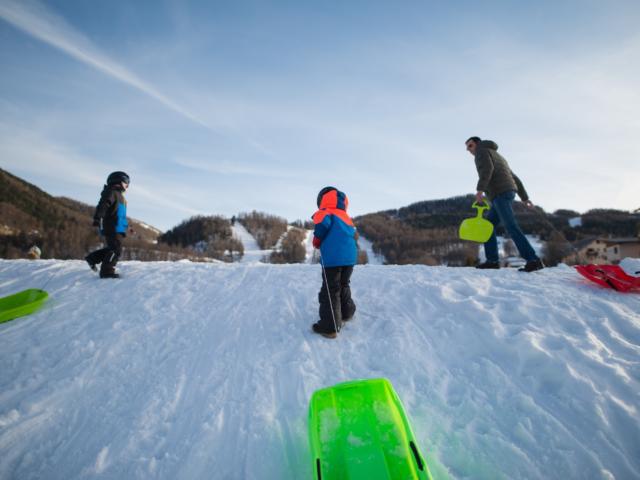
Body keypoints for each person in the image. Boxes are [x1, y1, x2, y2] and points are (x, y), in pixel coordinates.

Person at [465, 137, 544, 272]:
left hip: (500, 193)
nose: (469, 150)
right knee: (488, 227)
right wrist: (524, 198)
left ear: (477, 144)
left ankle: (533, 259)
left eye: (470, 146)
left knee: (511, 225)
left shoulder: (481, 152)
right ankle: (492, 261)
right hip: (505, 193)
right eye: (467, 147)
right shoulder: (498, 156)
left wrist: (480, 189)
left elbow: (487, 170)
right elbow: (514, 177)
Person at [311, 186, 358, 338]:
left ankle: (329, 326)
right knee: (343, 284)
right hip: (350, 257)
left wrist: (317, 241)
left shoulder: (325, 212)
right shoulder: (345, 216)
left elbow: (321, 228)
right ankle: (347, 313)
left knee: (331, 290)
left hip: (333, 258)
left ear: (322, 200)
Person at [85, 171, 130, 278]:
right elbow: (103, 205)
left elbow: (121, 215)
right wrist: (97, 218)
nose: (128, 185)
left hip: (118, 227)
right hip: (112, 226)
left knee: (113, 248)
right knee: (115, 249)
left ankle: (93, 258)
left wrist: (128, 226)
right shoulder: (111, 192)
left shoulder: (120, 197)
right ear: (119, 181)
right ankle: (107, 271)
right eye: (126, 182)